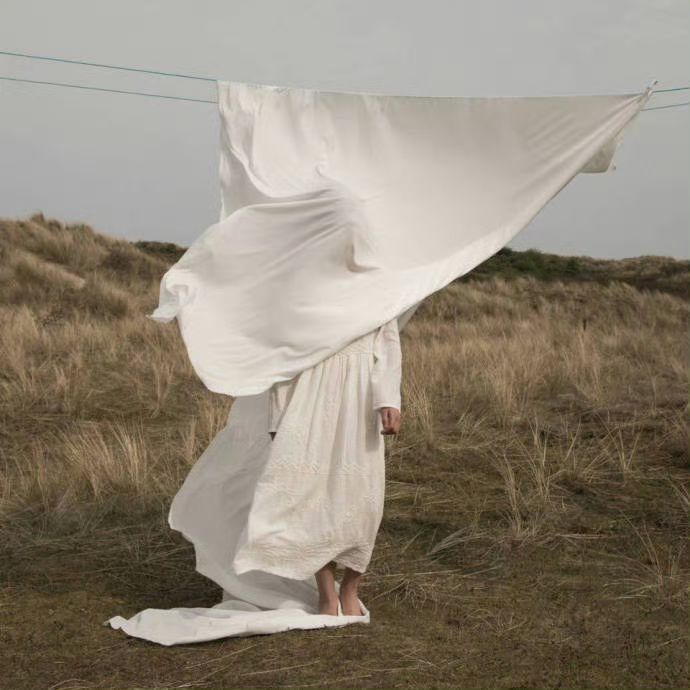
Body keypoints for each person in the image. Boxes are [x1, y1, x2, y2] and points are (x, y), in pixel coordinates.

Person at [232, 317, 403, 617]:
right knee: (312, 499)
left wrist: (389, 400)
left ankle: (350, 588)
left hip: (359, 403)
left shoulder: (380, 291)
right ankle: (327, 594)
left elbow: (389, 347)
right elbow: (285, 356)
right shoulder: (307, 291)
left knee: (364, 503)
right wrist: (277, 417)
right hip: (309, 403)